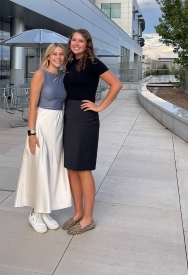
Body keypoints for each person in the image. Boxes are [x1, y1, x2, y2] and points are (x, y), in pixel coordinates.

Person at [62, 29, 122, 235]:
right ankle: (78, 212)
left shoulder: (94, 63)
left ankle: (88, 218)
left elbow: (116, 84)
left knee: (83, 168)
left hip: (85, 120)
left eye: (80, 40)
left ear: (87, 44)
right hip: (69, 118)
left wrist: (100, 106)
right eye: (73, 40)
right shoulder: (69, 63)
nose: (76, 43)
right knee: (71, 168)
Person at [14, 43, 71, 234]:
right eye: (55, 54)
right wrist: (31, 133)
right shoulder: (40, 74)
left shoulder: (63, 76)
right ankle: (34, 213)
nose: (58, 57)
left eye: (61, 54)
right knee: (39, 168)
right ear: (48, 56)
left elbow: (65, 101)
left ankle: (45, 210)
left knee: (53, 168)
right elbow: (32, 106)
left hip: (57, 125)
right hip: (41, 124)